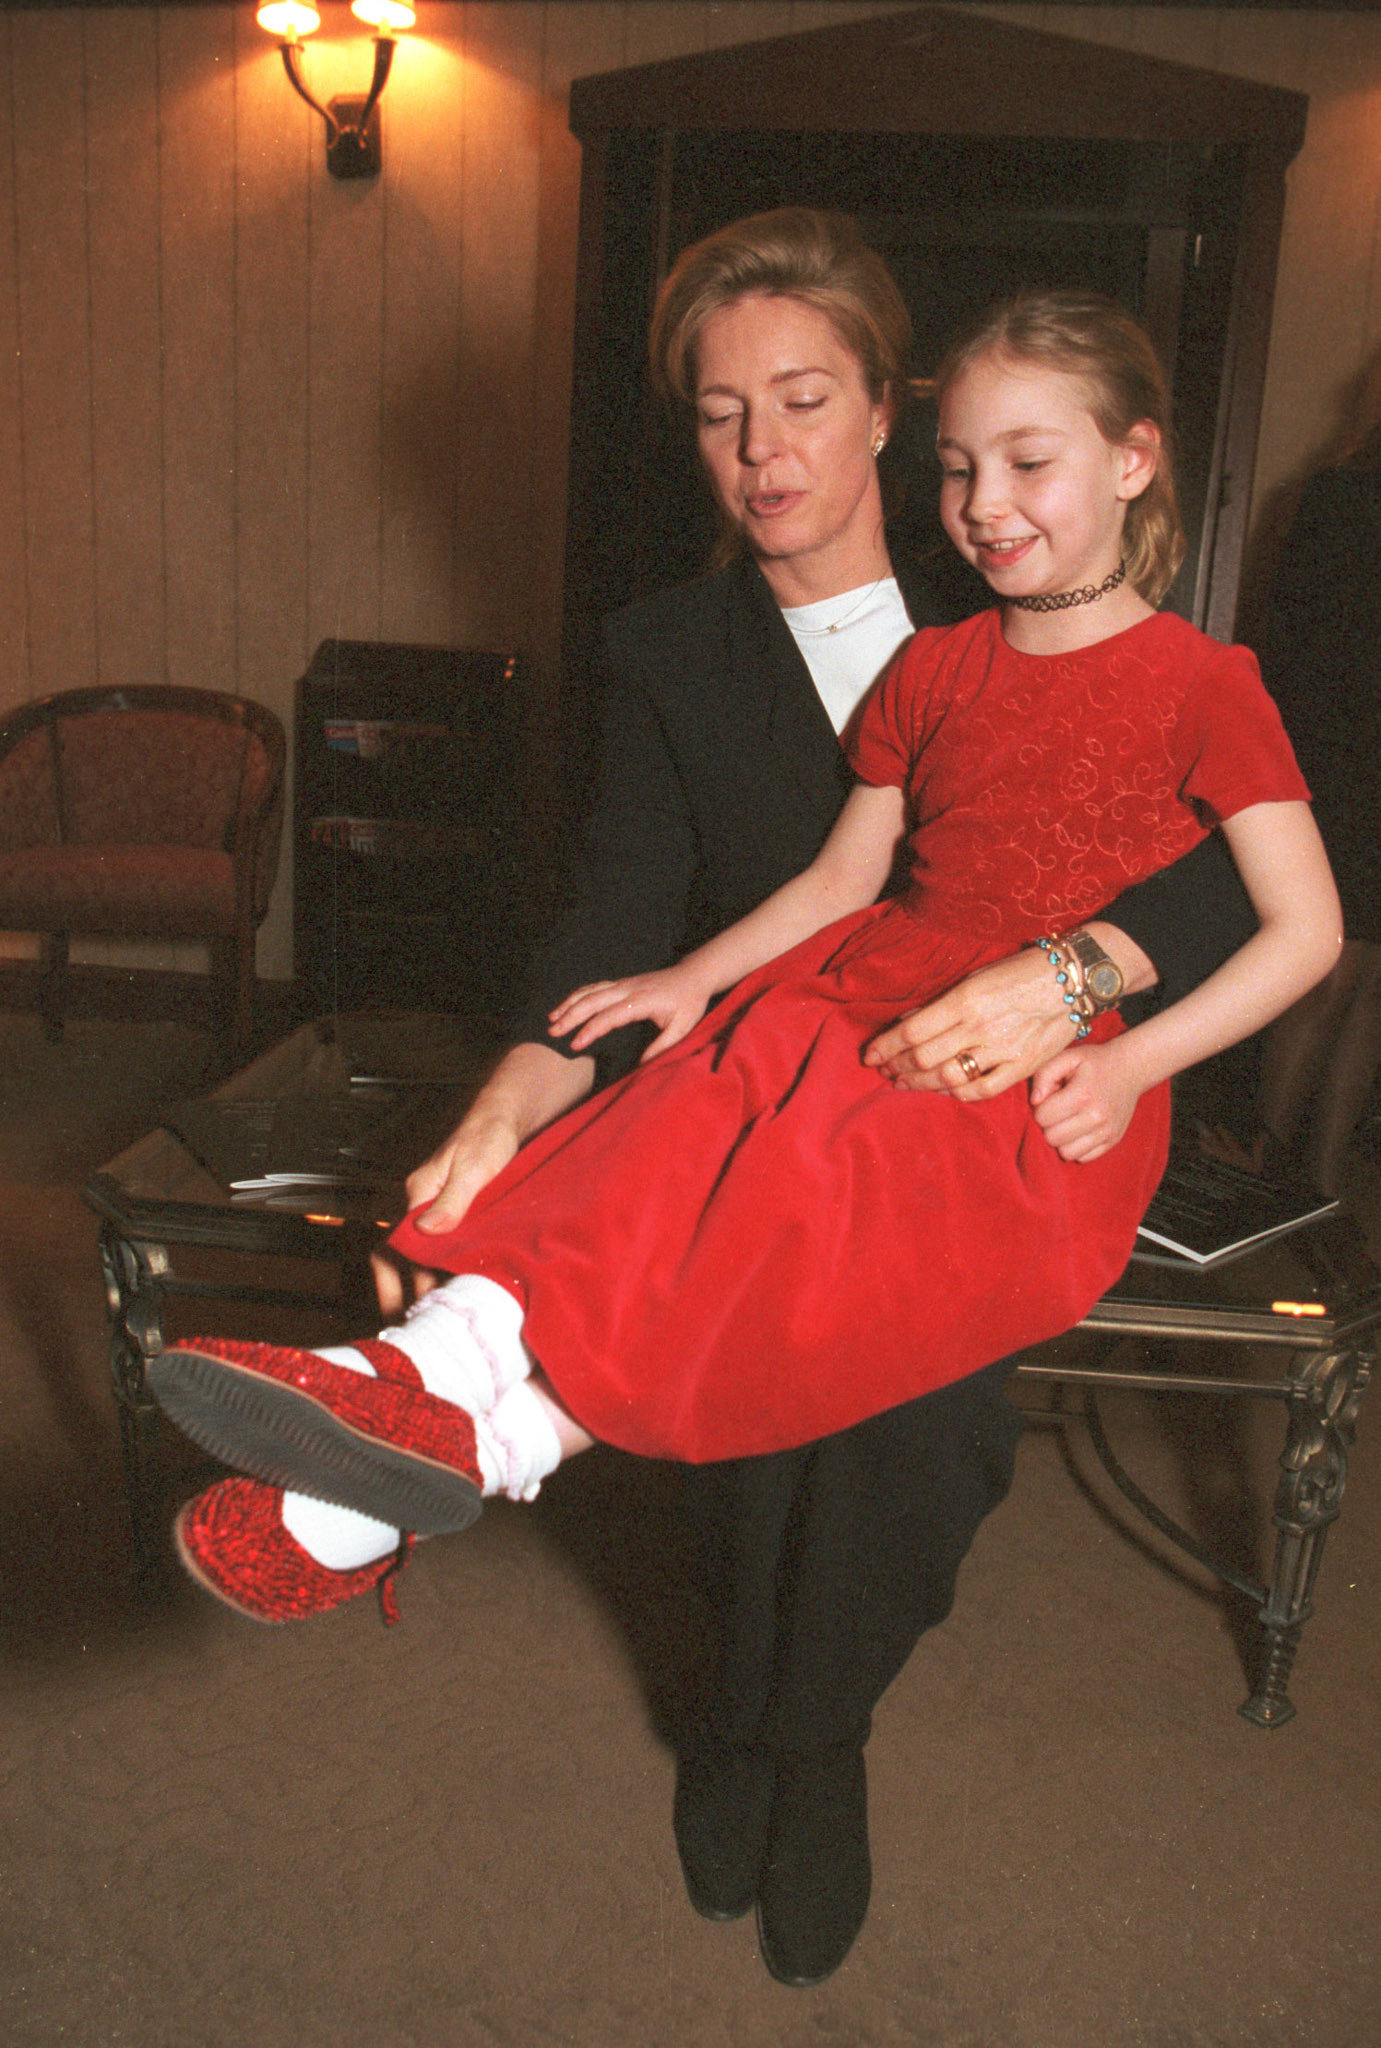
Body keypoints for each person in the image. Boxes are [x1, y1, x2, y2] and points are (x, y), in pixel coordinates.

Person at [149, 225, 1286, 1989]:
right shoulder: (671, 651)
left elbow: (1231, 867)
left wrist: (1081, 980)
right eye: (717, 413)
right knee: (723, 1431)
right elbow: (621, 915)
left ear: (891, 413)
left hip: (994, 1113)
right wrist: (513, 1097)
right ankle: (732, 1708)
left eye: (805, 400)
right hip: (782, 1075)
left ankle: (812, 1736)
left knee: (917, 1454)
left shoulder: (1018, 562)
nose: (762, 450)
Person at [1254, 362, 1381, 1193]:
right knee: (1332, 967)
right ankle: (1277, 1168)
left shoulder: (1333, 496)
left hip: (1351, 760)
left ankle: (1314, 1178)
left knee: (1365, 978)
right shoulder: (1336, 498)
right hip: (1340, 760)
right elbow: (1296, 649)